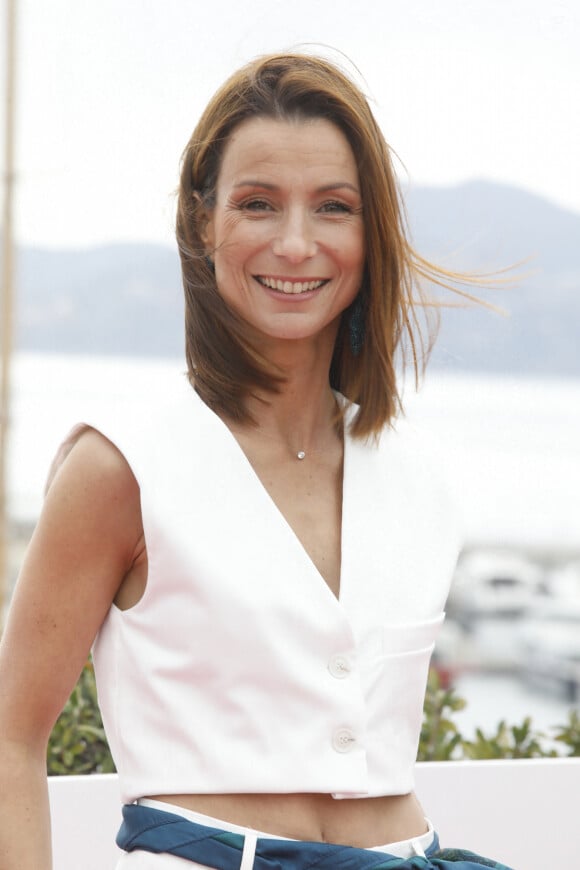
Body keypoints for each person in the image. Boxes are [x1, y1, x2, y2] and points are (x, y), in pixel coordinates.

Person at [0, 53, 513, 869]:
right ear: (204, 222)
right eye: (258, 204)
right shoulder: (120, 466)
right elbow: (10, 739)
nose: (297, 242)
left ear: (369, 231)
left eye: (334, 207)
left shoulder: (419, 475)